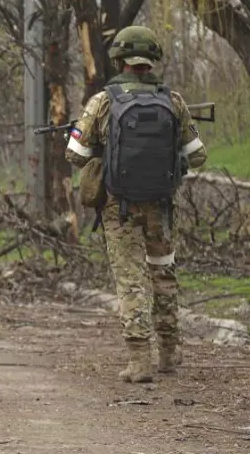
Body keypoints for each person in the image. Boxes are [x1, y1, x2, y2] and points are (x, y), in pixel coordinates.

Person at [65, 25, 207, 383]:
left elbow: (74, 154)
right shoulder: (173, 101)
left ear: (119, 59)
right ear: (152, 59)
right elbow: (199, 155)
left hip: (120, 207)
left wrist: (96, 141)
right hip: (160, 205)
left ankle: (140, 360)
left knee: (131, 280)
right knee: (164, 273)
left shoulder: (104, 101)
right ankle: (170, 353)